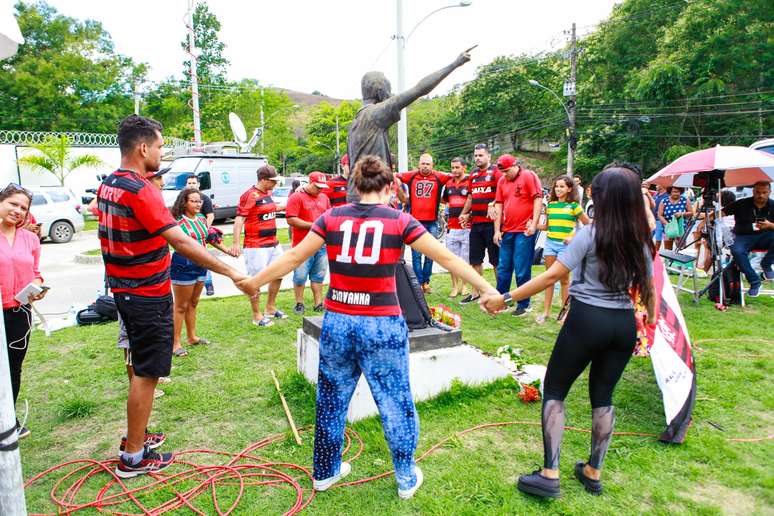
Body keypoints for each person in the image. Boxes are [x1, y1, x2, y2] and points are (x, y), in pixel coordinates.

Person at [238, 155, 497, 499]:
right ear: (389, 188)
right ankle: (405, 477)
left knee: (331, 401)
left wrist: (255, 282)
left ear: (355, 187)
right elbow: (446, 258)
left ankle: (325, 472)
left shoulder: (332, 216)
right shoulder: (399, 220)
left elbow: (293, 257)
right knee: (395, 402)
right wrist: (487, 288)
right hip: (382, 324)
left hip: (339, 322)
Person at [482, 164, 656, 499]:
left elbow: (550, 277)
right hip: (622, 326)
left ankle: (550, 474)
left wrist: (504, 298)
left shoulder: (590, 235)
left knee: (556, 389)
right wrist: (649, 322)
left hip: (587, 319)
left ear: (601, 199)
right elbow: (648, 288)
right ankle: (593, 471)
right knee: (603, 398)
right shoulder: (641, 239)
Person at [100, 115, 248, 479]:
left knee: (139, 366)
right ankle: (133, 456)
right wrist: (231, 272)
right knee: (147, 374)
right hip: (146, 294)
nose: (162, 153)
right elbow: (180, 240)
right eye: (161, 146)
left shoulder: (110, 184)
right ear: (143, 147)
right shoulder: (139, 189)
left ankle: (138, 436)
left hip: (125, 290)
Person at [346, 49, 472, 202]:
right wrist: (455, 64)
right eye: (388, 89)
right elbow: (419, 90)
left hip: (358, 194)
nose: (391, 94)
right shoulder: (374, 114)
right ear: (379, 91)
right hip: (369, 197)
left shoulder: (357, 120)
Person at [0, 183, 47, 439]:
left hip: (20, 312)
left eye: (23, 208)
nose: (18, 211)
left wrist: (38, 287)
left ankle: (9, 421)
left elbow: (36, 273)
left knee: (13, 367)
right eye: (13, 204)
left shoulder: (30, 238)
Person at [169, 188, 235, 356]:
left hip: (202, 263)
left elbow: (210, 238)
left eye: (200, 201)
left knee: (193, 303)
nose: (198, 204)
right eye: (193, 201)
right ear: (184, 202)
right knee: (180, 306)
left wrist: (227, 250)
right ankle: (175, 343)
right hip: (183, 264)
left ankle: (192, 337)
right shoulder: (176, 221)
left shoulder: (201, 219)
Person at [230, 165, 288, 326]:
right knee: (256, 281)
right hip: (256, 245)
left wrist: (286, 205)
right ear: (262, 180)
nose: (275, 184)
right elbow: (239, 220)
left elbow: (269, 209)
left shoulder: (268, 193)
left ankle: (270, 307)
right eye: (272, 181)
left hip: (273, 243)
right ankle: (257, 315)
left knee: (279, 273)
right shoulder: (249, 195)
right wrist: (235, 243)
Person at [492, 154, 542, 317]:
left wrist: (534, 224)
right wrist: (497, 230)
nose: (505, 174)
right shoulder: (501, 181)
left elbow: (537, 199)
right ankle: (502, 302)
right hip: (508, 230)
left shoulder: (528, 176)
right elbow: (498, 205)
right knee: (503, 267)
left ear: (515, 166)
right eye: (502, 172)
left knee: (521, 268)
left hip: (524, 231)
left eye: (507, 171)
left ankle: (524, 304)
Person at [536, 175, 590, 323]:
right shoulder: (551, 205)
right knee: (549, 279)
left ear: (569, 189)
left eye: (562, 186)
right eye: (556, 186)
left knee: (564, 280)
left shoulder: (574, 206)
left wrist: (573, 237)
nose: (558, 189)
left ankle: (564, 314)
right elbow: (547, 226)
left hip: (565, 247)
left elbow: (588, 226)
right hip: (550, 244)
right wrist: (533, 225)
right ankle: (546, 312)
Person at [396, 153, 451, 293]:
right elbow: (395, 176)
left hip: (432, 222)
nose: (425, 166)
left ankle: (426, 282)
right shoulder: (412, 175)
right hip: (415, 222)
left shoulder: (439, 176)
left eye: (428, 164)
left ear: (432, 165)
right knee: (416, 255)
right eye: (423, 163)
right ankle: (418, 283)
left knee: (431, 254)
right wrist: (402, 196)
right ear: (419, 164)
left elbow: (455, 176)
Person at [458, 143, 502, 304]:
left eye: (481, 155)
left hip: (492, 224)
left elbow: (502, 194)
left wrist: (493, 204)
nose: (477, 158)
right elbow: (471, 197)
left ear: (489, 156)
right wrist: (465, 214)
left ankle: (499, 293)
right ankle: (477, 292)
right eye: (475, 155)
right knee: (475, 260)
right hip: (476, 224)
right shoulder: (473, 174)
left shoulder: (496, 172)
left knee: (496, 261)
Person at [286, 171, 331, 314]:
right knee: (300, 276)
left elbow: (328, 216)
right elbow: (291, 219)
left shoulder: (324, 197)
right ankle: (299, 303)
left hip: (321, 244)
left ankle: (318, 303)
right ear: (309, 182)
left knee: (318, 275)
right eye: (317, 186)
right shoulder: (297, 197)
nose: (320, 190)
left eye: (322, 187)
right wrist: (313, 225)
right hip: (302, 244)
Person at [724, 181, 774, 297]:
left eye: (764, 192)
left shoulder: (773, 205)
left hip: (766, 237)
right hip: (743, 236)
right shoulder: (742, 203)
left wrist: (770, 225)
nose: (760, 195)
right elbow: (722, 212)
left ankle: (766, 264)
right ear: (753, 191)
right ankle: (754, 281)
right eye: (757, 192)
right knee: (736, 250)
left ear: (769, 192)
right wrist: (708, 218)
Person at [442, 157, 471, 298]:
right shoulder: (448, 184)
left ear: (464, 167)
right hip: (451, 227)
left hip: (467, 227)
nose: (454, 170)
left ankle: (464, 286)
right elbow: (445, 200)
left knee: (465, 260)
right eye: (452, 167)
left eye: (457, 167)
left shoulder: (470, 181)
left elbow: (474, 201)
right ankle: (454, 286)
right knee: (452, 260)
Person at [186, 174, 216, 296]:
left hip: (200, 238)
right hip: (188, 237)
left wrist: (203, 230)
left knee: (204, 260)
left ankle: (209, 285)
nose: (191, 185)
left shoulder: (205, 198)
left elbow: (210, 215)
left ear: (198, 184)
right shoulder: (183, 199)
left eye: (193, 183)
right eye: (189, 183)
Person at [652, 184, 669, 251]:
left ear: (662, 185)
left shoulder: (667, 196)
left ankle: (656, 255)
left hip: (660, 220)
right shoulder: (656, 194)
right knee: (647, 237)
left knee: (658, 239)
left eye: (657, 185)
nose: (656, 186)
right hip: (652, 219)